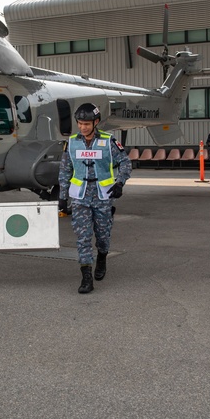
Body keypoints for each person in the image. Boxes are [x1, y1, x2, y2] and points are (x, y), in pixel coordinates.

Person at [58, 103, 132, 293]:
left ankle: (102, 257)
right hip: (80, 197)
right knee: (82, 237)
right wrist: (62, 196)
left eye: (87, 124)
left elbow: (125, 162)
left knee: (102, 235)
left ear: (96, 122)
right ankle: (86, 277)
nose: (83, 127)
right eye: (80, 123)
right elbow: (65, 170)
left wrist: (120, 183)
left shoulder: (108, 141)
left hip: (103, 196)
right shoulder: (72, 142)